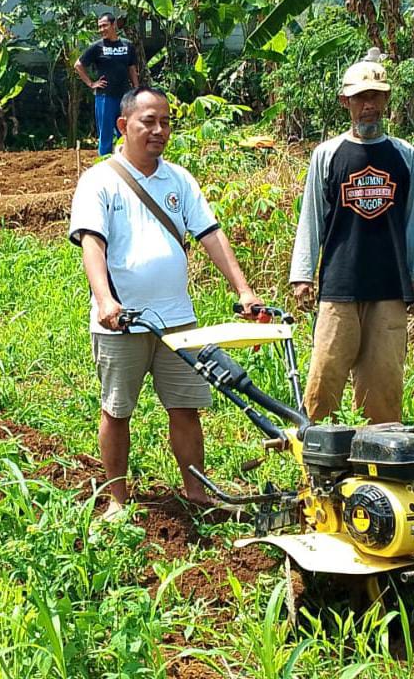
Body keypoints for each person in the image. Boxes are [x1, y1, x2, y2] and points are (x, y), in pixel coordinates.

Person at [69, 86, 261, 520]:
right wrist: (105, 300)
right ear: (123, 126)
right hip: (122, 322)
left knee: (186, 408)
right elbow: (92, 243)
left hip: (178, 321)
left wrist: (243, 290)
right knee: (117, 410)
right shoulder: (99, 180)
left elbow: (210, 234)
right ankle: (118, 499)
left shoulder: (179, 179)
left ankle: (197, 492)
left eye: (165, 122)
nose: (159, 131)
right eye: (148, 122)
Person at [289, 51, 414, 424]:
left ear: (386, 100)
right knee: (325, 378)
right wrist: (303, 274)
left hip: (389, 287)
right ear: (346, 102)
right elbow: (311, 217)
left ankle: (380, 464)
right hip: (339, 286)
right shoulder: (328, 155)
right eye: (360, 98)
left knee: (383, 384)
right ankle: (317, 461)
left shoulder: (404, 156)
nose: (368, 106)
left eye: (375, 97)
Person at [74, 12, 139, 156]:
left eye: (104, 26)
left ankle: (126, 165)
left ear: (114, 25)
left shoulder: (127, 45)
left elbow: (132, 68)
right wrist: (91, 83)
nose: (101, 29)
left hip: (124, 97)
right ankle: (104, 166)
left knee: (126, 133)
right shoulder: (97, 47)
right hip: (105, 97)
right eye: (99, 27)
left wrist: (136, 88)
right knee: (106, 136)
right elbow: (78, 65)